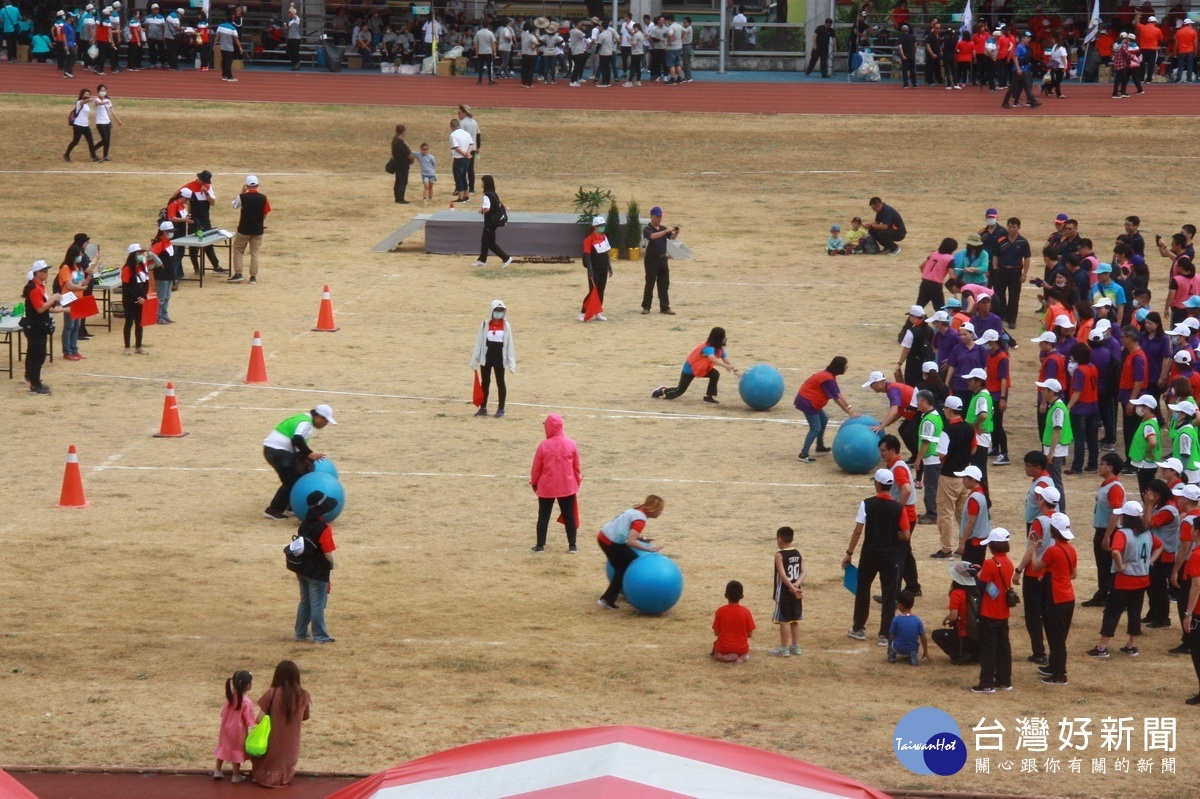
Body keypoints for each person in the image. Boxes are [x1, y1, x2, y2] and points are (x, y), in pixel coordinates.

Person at [843, 469, 910, 647]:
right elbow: (906, 534)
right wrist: (891, 535)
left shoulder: (867, 504)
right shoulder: (898, 507)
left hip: (869, 554)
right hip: (890, 556)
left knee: (863, 589)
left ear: (878, 485)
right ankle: (885, 634)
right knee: (889, 594)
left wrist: (849, 553)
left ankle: (858, 628)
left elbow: (858, 530)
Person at [1088, 500, 1161, 658]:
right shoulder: (1147, 533)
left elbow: (1115, 552)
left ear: (1126, 517)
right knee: (1135, 612)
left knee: (1112, 612)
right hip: (1142, 578)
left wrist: (1120, 566)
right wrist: (1150, 561)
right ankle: (1132, 645)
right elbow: (1160, 546)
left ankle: (1102, 646)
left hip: (1125, 579)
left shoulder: (1123, 533)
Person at [261, 405, 337, 520]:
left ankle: (292, 506)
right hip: (277, 451)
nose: (326, 424)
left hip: (272, 450)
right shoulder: (306, 423)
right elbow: (297, 439)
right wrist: (310, 454)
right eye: (326, 421)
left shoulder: (302, 418)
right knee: (292, 479)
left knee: (293, 477)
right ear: (320, 417)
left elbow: (295, 443)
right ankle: (274, 510)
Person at [1031, 512, 1077, 685]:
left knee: (1055, 638)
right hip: (1068, 597)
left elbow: (1035, 567)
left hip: (1055, 598)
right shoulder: (1071, 550)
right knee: (1059, 636)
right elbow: (1072, 574)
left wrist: (1034, 550)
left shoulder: (1053, 550)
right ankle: (1054, 666)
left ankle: (1059, 674)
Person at [250, 661, 311, 788]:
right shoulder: (304, 695)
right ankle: (282, 780)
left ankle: (264, 778)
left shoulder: (272, 693)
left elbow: (259, 719)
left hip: (273, 742)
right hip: (292, 745)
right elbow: (305, 717)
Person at [597, 495, 664, 609]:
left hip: (606, 537)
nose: (661, 513)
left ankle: (621, 595)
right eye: (660, 510)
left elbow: (627, 531)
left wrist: (642, 539)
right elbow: (630, 542)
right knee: (625, 567)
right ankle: (608, 599)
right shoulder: (640, 519)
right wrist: (649, 549)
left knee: (629, 562)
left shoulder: (637, 511)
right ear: (653, 509)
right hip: (609, 541)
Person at [971, 528, 1015, 693]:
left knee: (988, 648)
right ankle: (1004, 680)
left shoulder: (990, 563)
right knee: (1003, 646)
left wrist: (976, 574)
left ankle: (986, 682)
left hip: (989, 611)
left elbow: (981, 587)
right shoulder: (1008, 562)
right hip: (1003, 611)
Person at [291, 490, 338, 644]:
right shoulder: (324, 527)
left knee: (305, 602)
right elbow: (328, 553)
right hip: (317, 572)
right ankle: (320, 636)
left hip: (303, 569)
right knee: (318, 604)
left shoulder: (304, 525)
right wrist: (333, 565)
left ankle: (301, 633)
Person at [530, 413, 582, 553]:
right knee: (569, 515)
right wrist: (577, 481)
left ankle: (540, 545)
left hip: (547, 487)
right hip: (567, 486)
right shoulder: (571, 444)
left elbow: (537, 467)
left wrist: (534, 483)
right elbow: (576, 467)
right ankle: (572, 545)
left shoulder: (544, 445)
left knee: (543, 516)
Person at [1083, 453, 1127, 609]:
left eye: (1103, 464)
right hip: (1104, 529)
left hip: (1109, 531)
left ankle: (1108, 594)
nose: (1099, 466)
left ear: (1110, 467)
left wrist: (1107, 536)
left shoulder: (1114, 487)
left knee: (1107, 564)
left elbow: (1116, 512)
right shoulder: (1108, 485)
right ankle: (1103, 593)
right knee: (1103, 564)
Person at [934, 395, 975, 558]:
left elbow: (941, 454)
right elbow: (973, 449)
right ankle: (963, 545)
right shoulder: (970, 427)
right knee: (961, 514)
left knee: (946, 513)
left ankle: (946, 548)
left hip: (949, 475)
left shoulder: (948, 430)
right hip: (965, 477)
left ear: (949, 410)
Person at [653, 326, 739, 404]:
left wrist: (735, 370)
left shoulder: (719, 348)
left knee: (715, 374)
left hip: (702, 369)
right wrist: (726, 366)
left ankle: (709, 398)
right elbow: (712, 358)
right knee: (678, 391)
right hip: (690, 370)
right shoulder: (707, 348)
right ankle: (663, 390)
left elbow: (725, 358)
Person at [794, 356, 856, 461]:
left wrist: (850, 408)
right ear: (839, 367)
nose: (846, 368)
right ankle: (803, 454)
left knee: (824, 419)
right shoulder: (828, 379)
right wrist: (850, 413)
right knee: (815, 427)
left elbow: (838, 393)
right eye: (845, 366)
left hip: (811, 402)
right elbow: (836, 399)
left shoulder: (829, 376)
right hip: (807, 402)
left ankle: (819, 446)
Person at [20, 261, 65, 395]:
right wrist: (53, 299)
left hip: (38, 326)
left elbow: (46, 307)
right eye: (44, 271)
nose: (47, 274)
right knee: (38, 355)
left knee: (36, 354)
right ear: (37, 273)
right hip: (35, 327)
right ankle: (35, 384)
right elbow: (40, 309)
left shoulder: (39, 287)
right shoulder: (34, 288)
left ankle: (34, 380)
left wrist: (59, 306)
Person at [469, 299, 515, 418]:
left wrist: (511, 362)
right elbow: (479, 342)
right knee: (485, 383)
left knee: (500, 383)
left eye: (501, 310)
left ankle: (501, 408)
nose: (498, 313)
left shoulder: (506, 326)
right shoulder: (484, 325)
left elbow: (509, 344)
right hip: (486, 357)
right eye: (496, 310)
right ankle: (483, 407)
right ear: (491, 311)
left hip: (499, 357)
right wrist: (474, 359)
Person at [933, 562, 981, 663]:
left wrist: (947, 618)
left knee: (936, 634)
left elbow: (953, 616)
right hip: (979, 634)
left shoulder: (957, 593)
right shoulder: (977, 590)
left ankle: (958, 655)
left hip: (963, 635)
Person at [768, 526, 805, 657]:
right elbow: (803, 571)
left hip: (784, 592)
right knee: (795, 620)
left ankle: (783, 648)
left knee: (784, 621)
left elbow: (783, 576)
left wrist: (791, 587)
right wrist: (796, 585)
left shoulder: (779, 555)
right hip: (797, 593)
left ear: (780, 539)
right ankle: (795, 646)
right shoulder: (797, 553)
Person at [213, 670, 256, 782]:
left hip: (225, 729)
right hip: (238, 732)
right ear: (248, 686)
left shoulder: (229, 697)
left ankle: (217, 770)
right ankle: (235, 775)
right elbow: (249, 720)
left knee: (223, 747)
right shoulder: (247, 702)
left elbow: (223, 713)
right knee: (237, 751)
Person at [229, 175, 270, 284]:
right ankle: (253, 277)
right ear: (258, 185)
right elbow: (265, 213)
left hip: (244, 229)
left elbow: (234, 206)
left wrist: (242, 193)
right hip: (257, 229)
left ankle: (238, 273)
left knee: (238, 251)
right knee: (255, 253)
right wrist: (260, 222)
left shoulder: (242, 197)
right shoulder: (263, 198)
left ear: (247, 186)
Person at [119, 243, 155, 356]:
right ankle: (127, 347)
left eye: (141, 253)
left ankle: (138, 346)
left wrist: (143, 297)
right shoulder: (126, 269)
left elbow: (146, 283)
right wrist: (137, 297)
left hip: (141, 300)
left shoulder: (142, 268)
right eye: (138, 253)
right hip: (130, 300)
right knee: (129, 322)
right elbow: (126, 287)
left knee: (140, 323)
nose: (140, 255)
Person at [56, 245, 91, 361]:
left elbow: (81, 283)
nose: (81, 257)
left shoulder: (78, 267)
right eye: (79, 255)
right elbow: (69, 286)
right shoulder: (65, 268)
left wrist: (88, 279)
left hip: (78, 299)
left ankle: (74, 349)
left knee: (76, 325)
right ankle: (67, 351)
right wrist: (81, 288)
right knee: (69, 325)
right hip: (69, 299)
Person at [641, 206, 677, 315]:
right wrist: (666, 231)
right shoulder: (647, 229)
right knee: (650, 283)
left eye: (661, 217)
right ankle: (646, 306)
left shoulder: (662, 228)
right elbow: (652, 236)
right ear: (652, 217)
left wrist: (676, 232)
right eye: (658, 217)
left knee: (664, 284)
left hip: (662, 258)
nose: (660, 219)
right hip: (651, 259)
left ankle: (665, 307)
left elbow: (672, 237)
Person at [578, 215, 613, 322]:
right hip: (594, 270)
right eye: (600, 226)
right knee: (593, 291)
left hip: (603, 268)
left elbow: (606, 253)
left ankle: (597, 311)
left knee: (601, 290)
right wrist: (590, 271)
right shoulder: (589, 240)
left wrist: (609, 267)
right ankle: (583, 312)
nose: (602, 227)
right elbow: (587, 256)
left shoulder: (604, 237)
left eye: (603, 225)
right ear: (595, 227)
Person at [472, 175, 513, 269]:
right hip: (493, 222)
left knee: (490, 242)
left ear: (486, 184)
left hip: (489, 222)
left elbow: (487, 209)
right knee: (484, 240)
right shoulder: (494, 194)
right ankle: (482, 260)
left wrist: (481, 210)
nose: (481, 184)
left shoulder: (486, 195)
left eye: (482, 182)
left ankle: (506, 258)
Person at [711, 579, 754, 663]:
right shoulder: (746, 612)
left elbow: (716, 632)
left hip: (723, 648)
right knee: (744, 653)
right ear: (742, 596)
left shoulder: (720, 611)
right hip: (741, 649)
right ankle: (741, 657)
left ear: (725, 595)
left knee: (716, 647)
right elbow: (750, 634)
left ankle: (722, 656)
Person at [888, 590, 928, 665]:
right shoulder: (917, 620)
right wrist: (925, 651)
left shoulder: (896, 619)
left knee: (893, 642)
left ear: (900, 605)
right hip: (913, 648)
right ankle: (912, 655)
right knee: (912, 647)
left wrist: (890, 645)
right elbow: (923, 637)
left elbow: (891, 635)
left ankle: (892, 655)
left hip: (898, 648)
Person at [64, 88, 98, 163]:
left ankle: (94, 157)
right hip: (78, 125)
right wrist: (91, 99)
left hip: (85, 125)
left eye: (89, 94)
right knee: (75, 141)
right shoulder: (79, 102)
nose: (87, 95)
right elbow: (84, 101)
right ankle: (66, 154)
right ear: (82, 95)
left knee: (90, 141)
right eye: (86, 94)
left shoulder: (87, 104)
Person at [92, 84, 121, 162]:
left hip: (107, 122)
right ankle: (93, 149)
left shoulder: (108, 100)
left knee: (108, 140)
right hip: (100, 123)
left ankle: (105, 155)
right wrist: (104, 103)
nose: (103, 92)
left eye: (104, 90)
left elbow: (112, 111)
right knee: (104, 140)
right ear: (98, 91)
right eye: (101, 90)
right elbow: (98, 103)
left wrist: (118, 120)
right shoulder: (96, 99)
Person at [456, 105, 480, 194]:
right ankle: (472, 188)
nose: (458, 115)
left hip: (464, 149)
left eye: (459, 113)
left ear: (464, 113)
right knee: (470, 168)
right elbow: (478, 135)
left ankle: (460, 187)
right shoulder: (474, 122)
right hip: (473, 148)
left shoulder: (462, 123)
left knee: (461, 169)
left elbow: (460, 135)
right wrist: (478, 147)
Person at [390, 124, 414, 204]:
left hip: (397, 163)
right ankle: (401, 199)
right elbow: (409, 155)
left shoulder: (395, 141)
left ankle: (397, 198)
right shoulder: (401, 143)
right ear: (403, 131)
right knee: (403, 181)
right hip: (403, 164)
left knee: (398, 181)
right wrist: (412, 159)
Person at [215, 14, 241, 81]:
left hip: (222, 47)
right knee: (228, 62)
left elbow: (217, 36)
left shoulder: (220, 26)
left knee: (223, 61)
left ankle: (224, 75)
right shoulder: (233, 28)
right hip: (229, 48)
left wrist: (214, 44)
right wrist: (240, 47)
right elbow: (236, 39)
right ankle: (229, 76)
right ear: (232, 21)